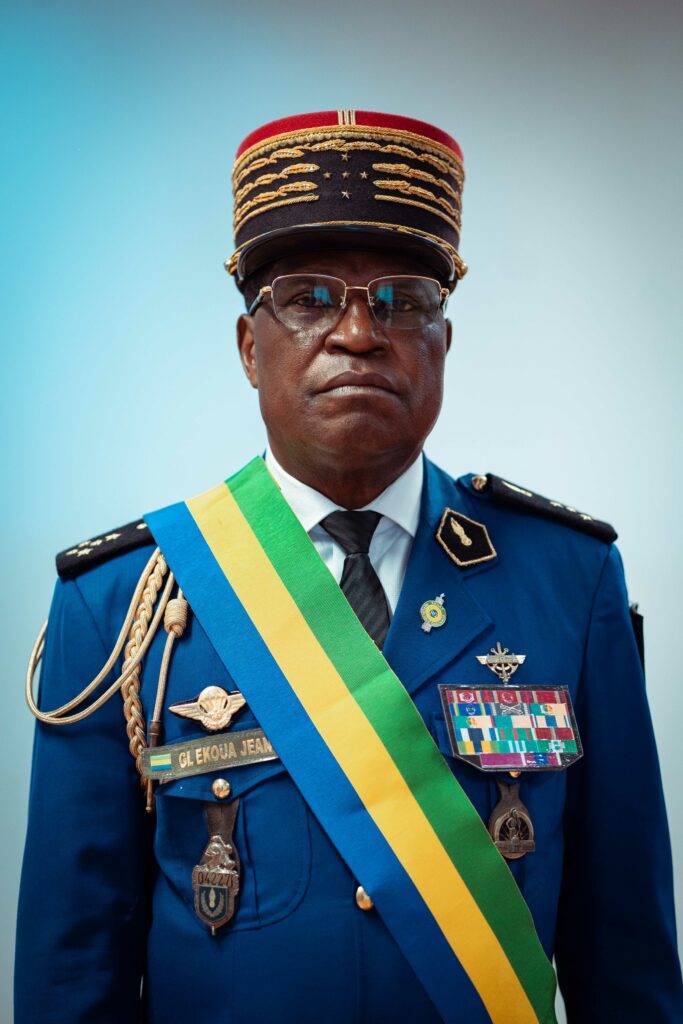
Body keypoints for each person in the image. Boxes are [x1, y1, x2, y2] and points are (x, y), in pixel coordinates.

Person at [15, 110, 682, 1024]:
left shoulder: (569, 582)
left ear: (444, 343)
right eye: (309, 297)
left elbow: (628, 966)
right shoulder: (120, 607)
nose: (360, 333)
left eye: (403, 300)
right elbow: (69, 978)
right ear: (248, 348)